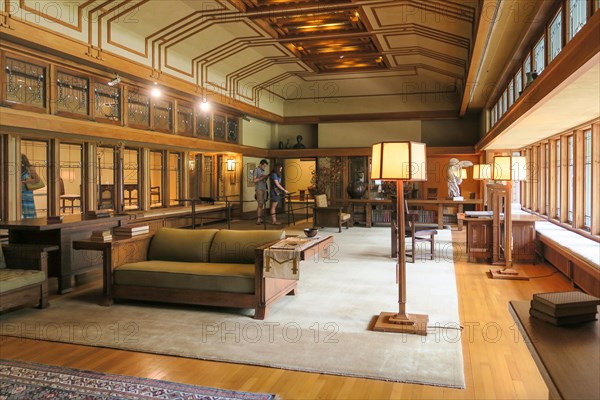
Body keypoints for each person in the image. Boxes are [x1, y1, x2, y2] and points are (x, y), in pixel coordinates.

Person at [21, 153, 40, 219]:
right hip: (17, 193)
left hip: (27, 192)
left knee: (28, 208)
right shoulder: (16, 169)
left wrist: (26, 181)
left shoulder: (29, 168)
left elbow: (37, 180)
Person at [252, 159, 269, 224]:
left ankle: (260, 218)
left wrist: (266, 177)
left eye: (265, 166)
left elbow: (263, 180)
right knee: (260, 204)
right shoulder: (256, 170)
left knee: (263, 204)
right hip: (259, 189)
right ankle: (258, 219)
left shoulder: (263, 170)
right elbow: (254, 180)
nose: (264, 167)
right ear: (260, 164)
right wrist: (263, 177)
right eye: (264, 166)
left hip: (264, 188)